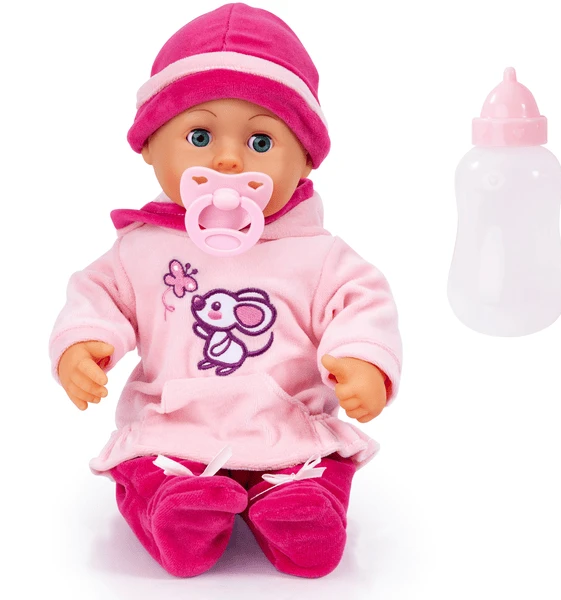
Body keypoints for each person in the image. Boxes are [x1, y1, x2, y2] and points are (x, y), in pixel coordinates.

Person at [49, 3, 402, 579]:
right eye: (199, 135)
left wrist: (364, 361)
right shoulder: (141, 249)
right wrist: (84, 344)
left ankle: (301, 512)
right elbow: (100, 294)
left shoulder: (319, 255)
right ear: (149, 146)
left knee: (314, 467)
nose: (229, 159)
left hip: (287, 422)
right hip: (174, 423)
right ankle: (174, 512)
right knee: (151, 467)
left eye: (261, 141)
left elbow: (361, 302)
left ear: (306, 159)